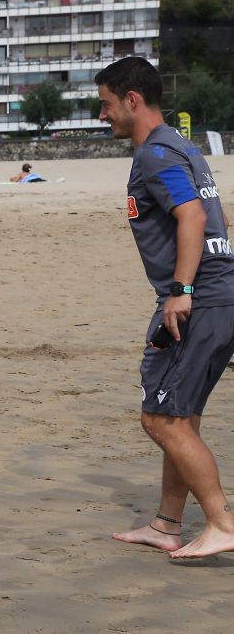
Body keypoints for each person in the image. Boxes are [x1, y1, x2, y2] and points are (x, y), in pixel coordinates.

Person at [96, 57, 234, 559]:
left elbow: (192, 215)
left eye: (107, 104)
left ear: (132, 100)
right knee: (183, 415)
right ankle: (166, 523)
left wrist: (182, 290)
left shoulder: (156, 153)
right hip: (219, 295)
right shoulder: (182, 147)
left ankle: (222, 522)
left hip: (199, 300)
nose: (103, 114)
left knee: (161, 420)